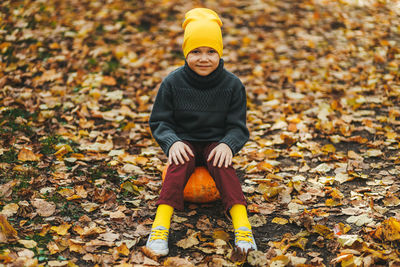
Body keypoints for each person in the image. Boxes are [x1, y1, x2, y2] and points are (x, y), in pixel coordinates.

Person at [146, 7, 257, 256]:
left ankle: (242, 226)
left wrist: (228, 144)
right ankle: (160, 225)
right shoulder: (173, 83)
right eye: (195, 51)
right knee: (177, 164)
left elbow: (238, 127)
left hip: (215, 144)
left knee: (224, 166)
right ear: (185, 52)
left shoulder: (232, 85)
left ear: (220, 53)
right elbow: (160, 121)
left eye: (211, 51)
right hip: (184, 141)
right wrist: (172, 142)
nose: (203, 58)